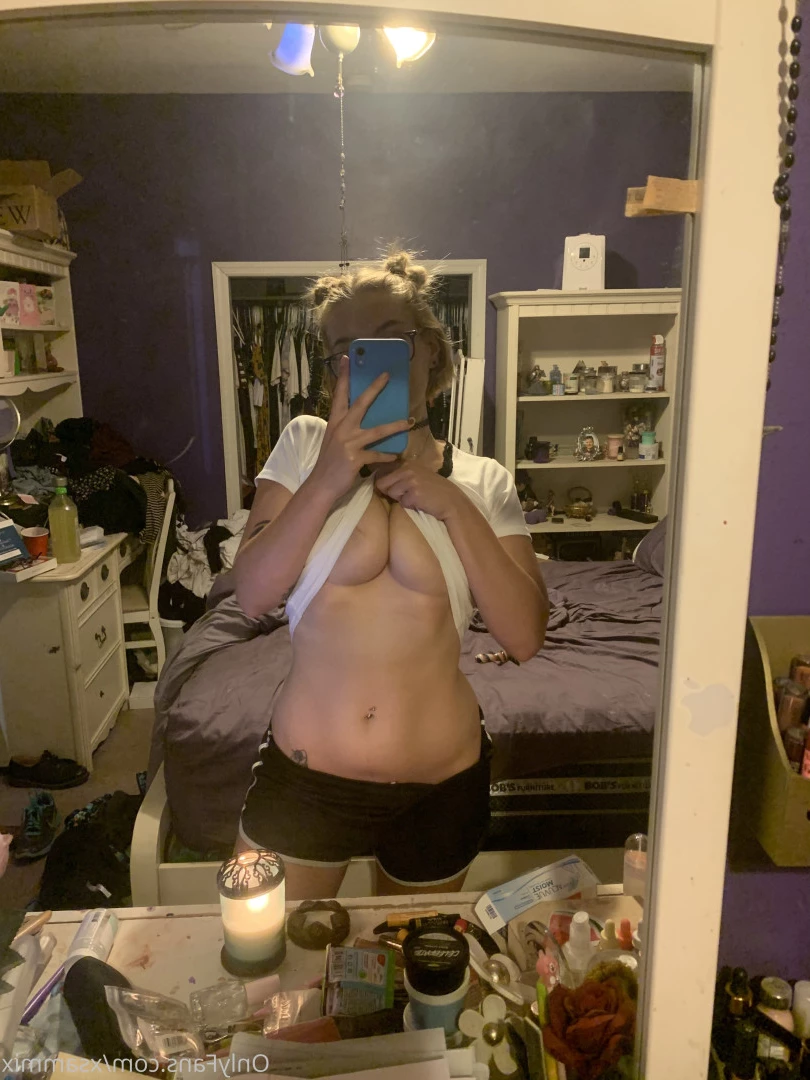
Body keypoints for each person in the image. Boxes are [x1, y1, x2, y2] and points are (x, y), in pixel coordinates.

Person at [233, 251, 549, 900]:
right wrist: (328, 478)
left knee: (412, 962)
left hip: (441, 786)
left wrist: (453, 503)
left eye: (386, 340)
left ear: (429, 350)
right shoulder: (304, 446)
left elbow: (523, 637)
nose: (365, 363)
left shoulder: (483, 481)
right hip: (304, 779)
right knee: (274, 957)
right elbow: (252, 595)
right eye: (345, 350)